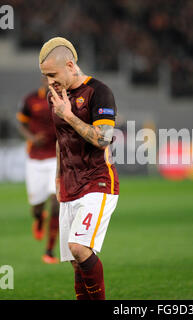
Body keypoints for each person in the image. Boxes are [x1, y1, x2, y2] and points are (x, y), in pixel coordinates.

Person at [39, 37, 119, 300]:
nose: (49, 81)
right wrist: (58, 177)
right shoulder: (56, 97)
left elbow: (103, 138)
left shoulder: (99, 92)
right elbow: (61, 141)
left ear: (70, 65)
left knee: (79, 247)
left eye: (52, 74)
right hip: (70, 185)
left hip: (98, 181)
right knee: (75, 262)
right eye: (45, 76)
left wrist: (70, 115)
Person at [17, 80, 59, 264]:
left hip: (57, 157)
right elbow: (21, 123)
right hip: (35, 159)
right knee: (36, 207)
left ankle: (49, 251)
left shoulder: (64, 100)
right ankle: (39, 218)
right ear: (43, 78)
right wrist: (33, 138)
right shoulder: (30, 99)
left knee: (56, 203)